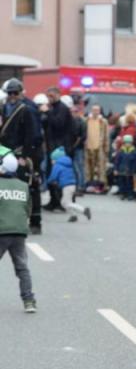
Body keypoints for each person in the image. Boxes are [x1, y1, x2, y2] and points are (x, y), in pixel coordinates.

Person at [0, 78, 42, 235]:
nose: (12, 95)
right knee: (7, 187)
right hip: (6, 153)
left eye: (15, 93)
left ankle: (36, 221)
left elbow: (33, 135)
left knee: (29, 186)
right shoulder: (4, 108)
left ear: (20, 93)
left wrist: (25, 156)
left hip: (21, 153)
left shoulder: (27, 110)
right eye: (10, 93)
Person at [0, 149, 36, 312]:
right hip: (19, 232)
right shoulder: (23, 186)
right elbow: (28, 209)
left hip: (2, 230)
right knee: (22, 268)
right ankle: (29, 301)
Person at [46, 146, 91, 222]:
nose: (51, 161)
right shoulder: (67, 164)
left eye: (52, 159)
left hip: (66, 186)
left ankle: (83, 210)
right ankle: (73, 215)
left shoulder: (57, 165)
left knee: (65, 203)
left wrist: (48, 181)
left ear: (56, 159)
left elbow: (53, 176)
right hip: (72, 184)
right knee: (67, 202)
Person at [84, 105, 110, 193]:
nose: (95, 112)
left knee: (101, 168)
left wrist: (106, 148)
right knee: (88, 168)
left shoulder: (103, 122)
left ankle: (102, 186)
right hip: (88, 146)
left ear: (99, 111)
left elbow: (106, 135)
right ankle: (89, 185)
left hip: (100, 147)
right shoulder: (86, 120)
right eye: (94, 110)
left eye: (97, 110)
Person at [114, 135, 136, 200]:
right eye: (126, 142)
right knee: (122, 183)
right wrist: (116, 169)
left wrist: (135, 170)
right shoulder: (121, 151)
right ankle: (122, 194)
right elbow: (117, 161)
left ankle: (130, 194)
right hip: (122, 170)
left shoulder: (133, 151)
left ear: (131, 143)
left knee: (130, 183)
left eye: (129, 142)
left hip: (130, 171)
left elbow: (135, 162)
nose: (127, 144)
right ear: (124, 143)